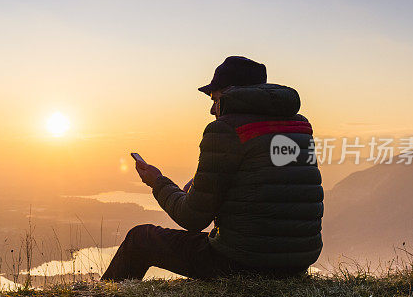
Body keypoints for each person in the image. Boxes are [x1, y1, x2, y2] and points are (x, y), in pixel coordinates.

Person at [101, 55, 323, 281]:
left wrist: (158, 182)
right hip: (297, 263)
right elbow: (273, 186)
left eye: (214, 99)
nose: (212, 109)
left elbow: (192, 219)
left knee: (141, 238)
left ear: (231, 94)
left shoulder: (225, 129)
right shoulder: (300, 126)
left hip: (242, 264)